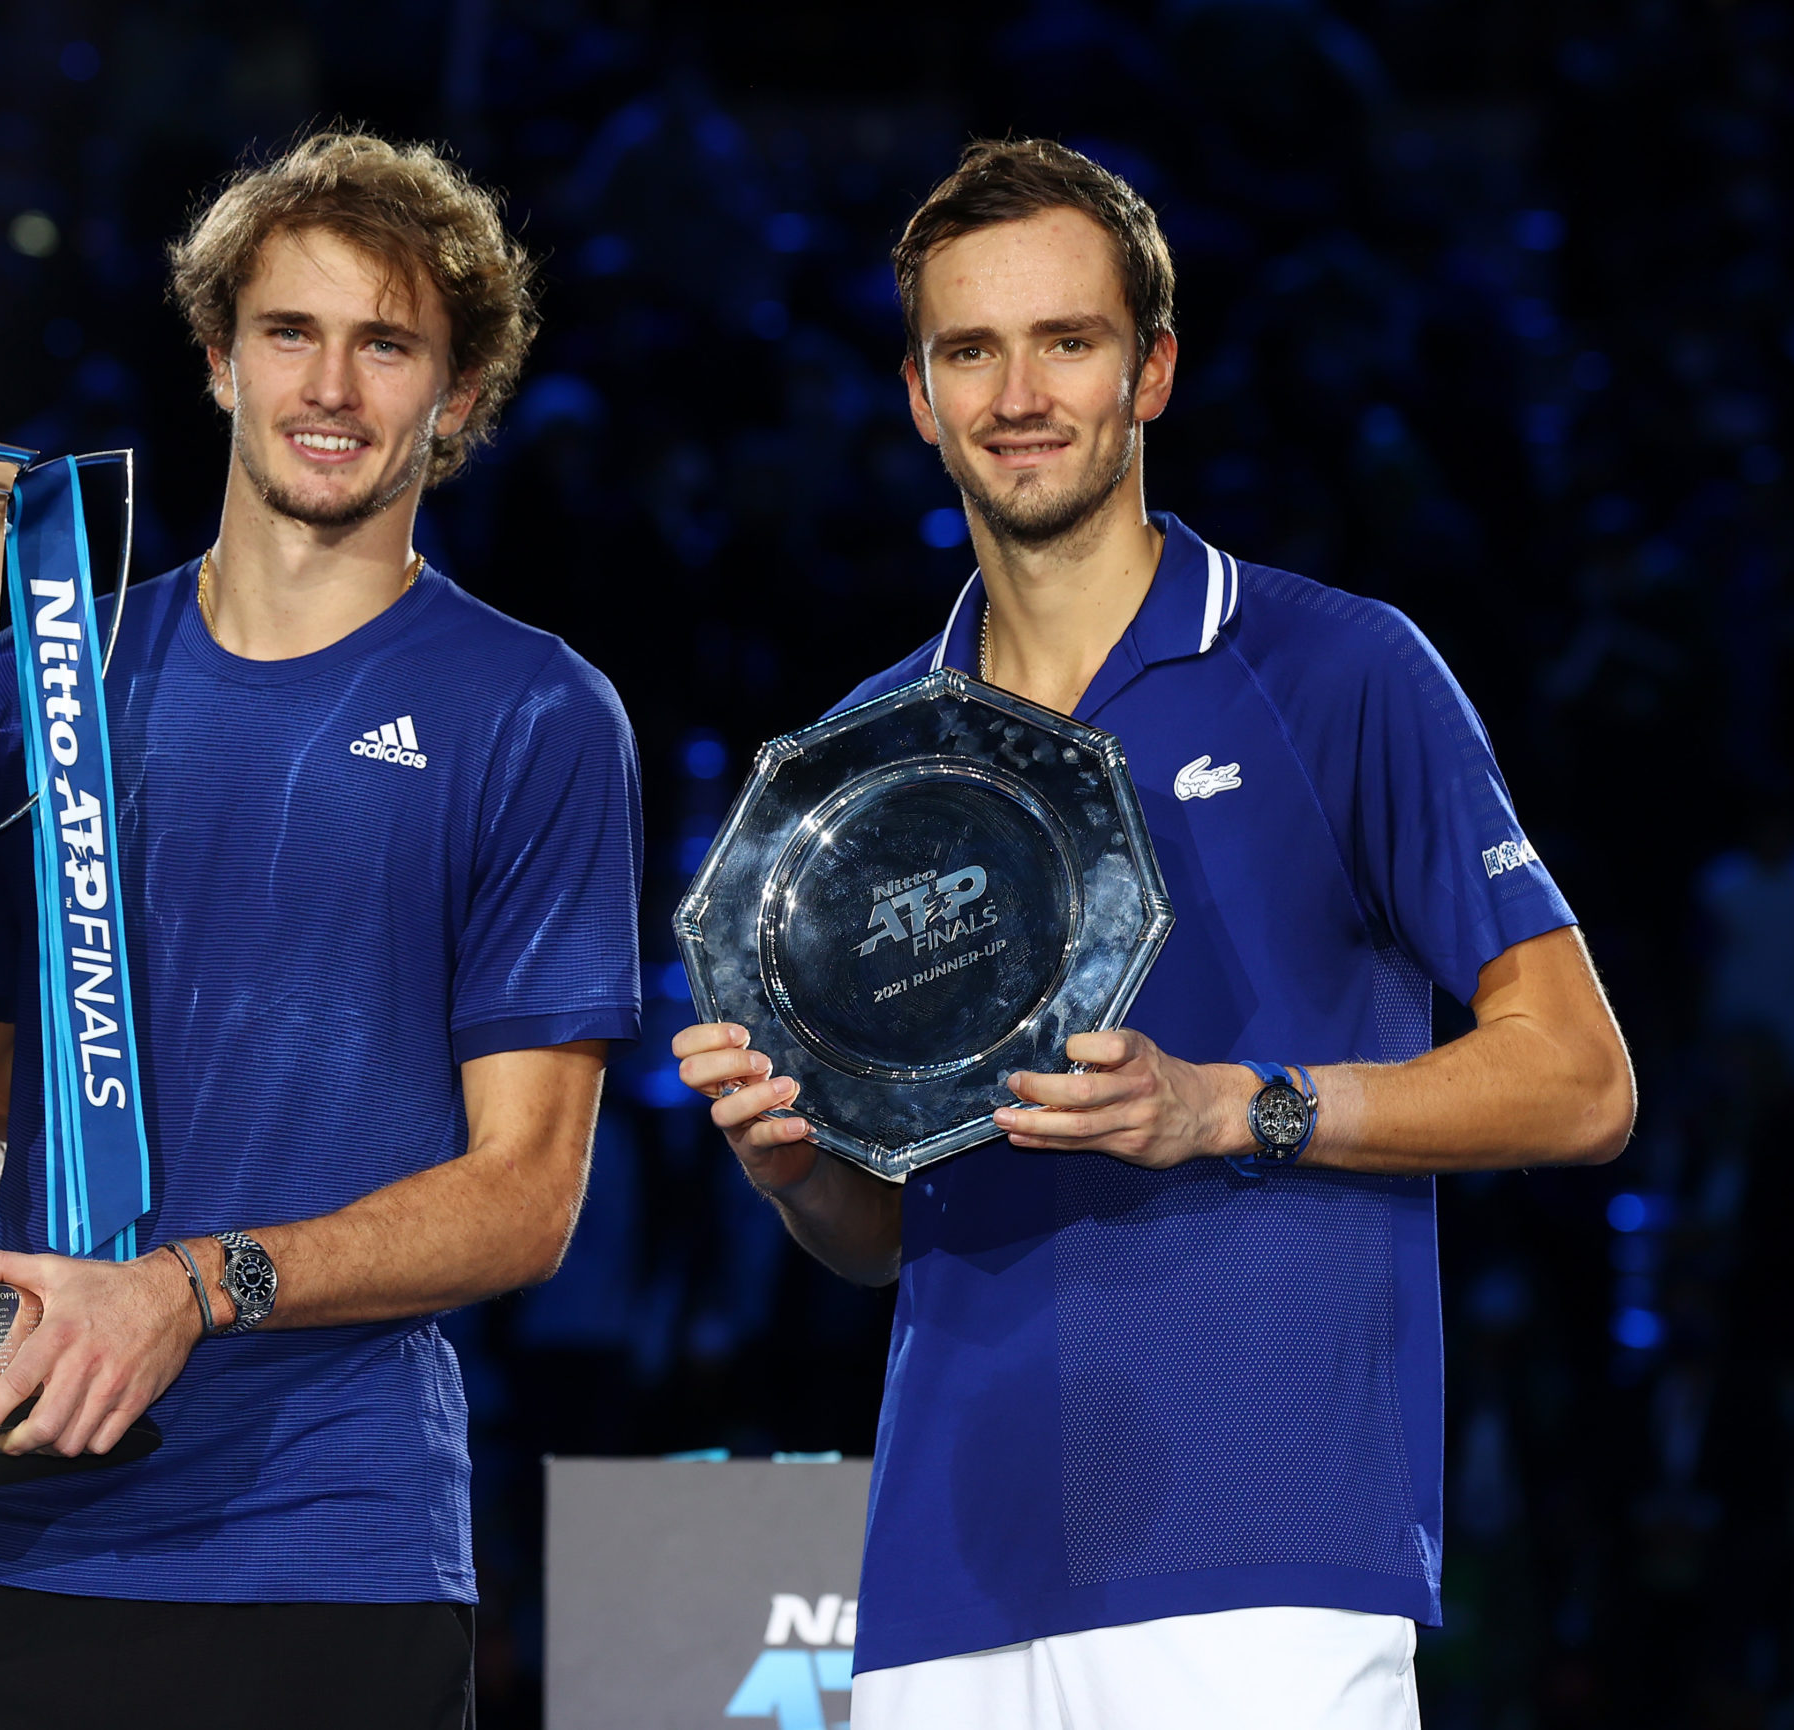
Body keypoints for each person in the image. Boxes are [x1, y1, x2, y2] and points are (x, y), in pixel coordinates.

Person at [672, 138, 1637, 1729]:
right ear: (919, 395)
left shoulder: (1337, 671)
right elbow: (879, 1234)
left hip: (1263, 1560)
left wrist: (1222, 1107)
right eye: (969, 351)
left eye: (1069, 340)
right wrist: (794, 1163)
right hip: (947, 1576)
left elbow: (1580, 1081)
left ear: (1154, 370)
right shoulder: (865, 765)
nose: (1018, 392)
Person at [0, 130, 641, 1729]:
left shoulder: (534, 712)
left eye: (388, 343)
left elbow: (524, 1199)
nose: (333, 384)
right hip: (2, 1529)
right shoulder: (47, 685)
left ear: (456, 400)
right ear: (217, 360)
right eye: (290, 332)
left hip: (327, 1563)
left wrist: (190, 1288)